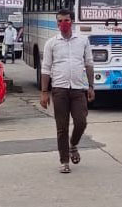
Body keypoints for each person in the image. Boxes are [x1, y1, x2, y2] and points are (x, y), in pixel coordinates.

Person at [39, 9, 94, 174]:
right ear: (57, 23)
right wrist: (44, 92)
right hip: (59, 90)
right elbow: (46, 69)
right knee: (61, 127)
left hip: (78, 89)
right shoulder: (51, 43)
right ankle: (64, 161)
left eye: (66, 20)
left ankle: (73, 144)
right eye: (60, 21)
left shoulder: (83, 41)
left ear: (72, 21)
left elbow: (89, 64)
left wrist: (91, 86)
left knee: (81, 122)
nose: (63, 24)